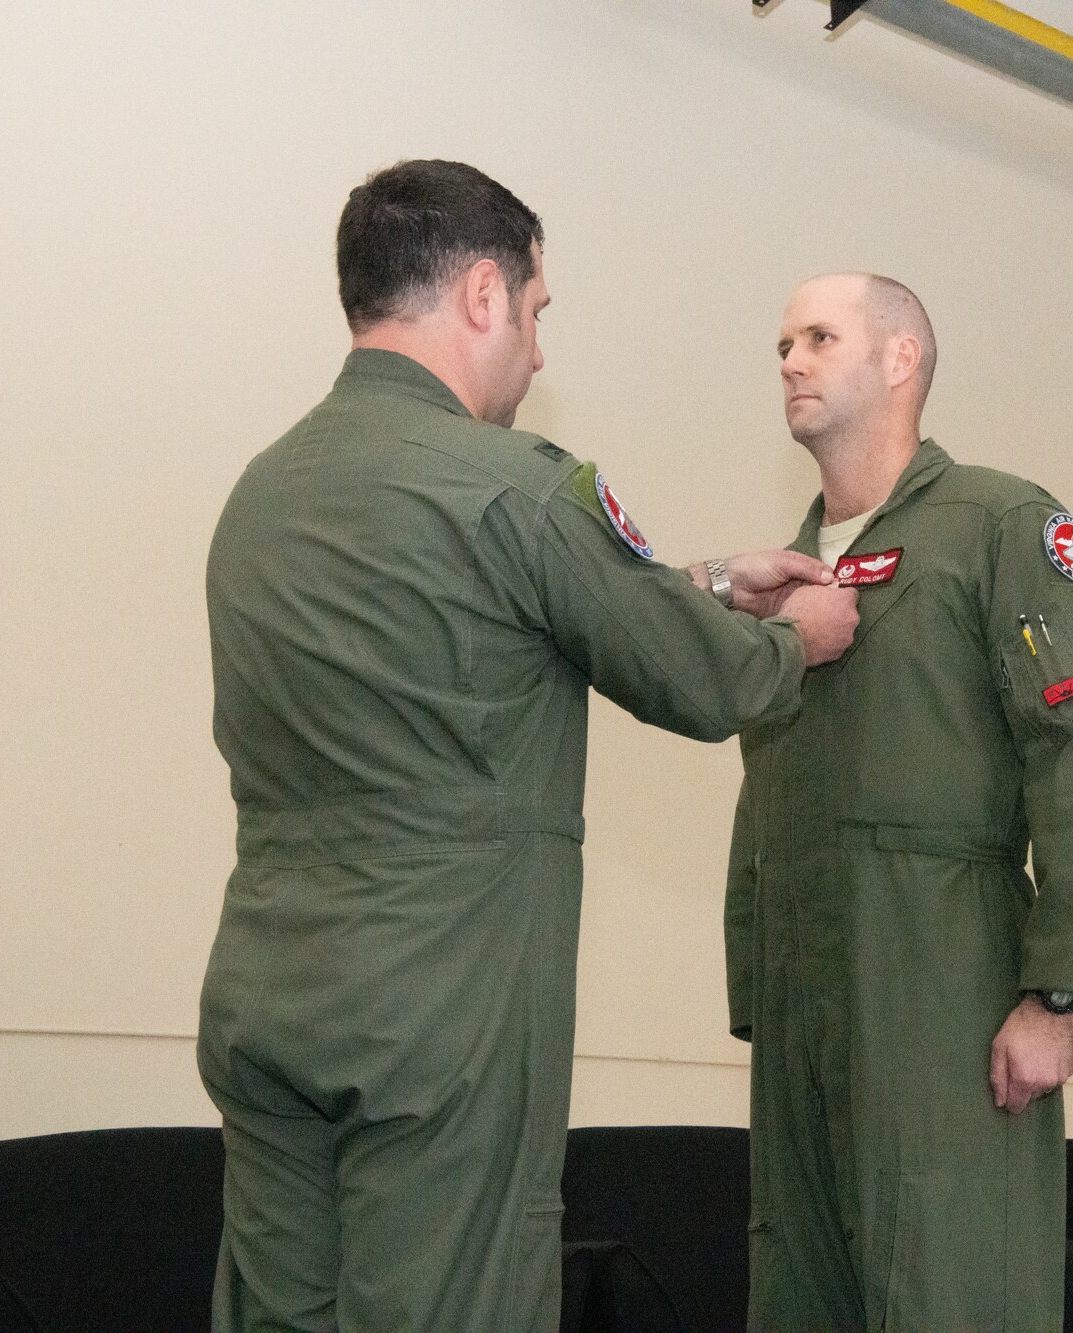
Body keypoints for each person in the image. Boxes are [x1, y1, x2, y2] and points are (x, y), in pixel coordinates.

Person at [197, 159, 858, 1333]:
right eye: (540, 313)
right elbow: (696, 681)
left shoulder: (262, 492)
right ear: (486, 293)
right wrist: (792, 638)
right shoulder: (516, 487)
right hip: (441, 1009)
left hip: (265, 996)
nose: (540, 353)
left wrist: (702, 580)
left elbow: (481, 615)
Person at [724, 273, 1073, 1331]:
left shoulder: (998, 523)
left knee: (952, 1277)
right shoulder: (784, 570)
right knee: (800, 1285)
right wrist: (757, 978)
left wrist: (1057, 992)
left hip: (941, 967)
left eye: (819, 336)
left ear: (901, 359)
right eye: (781, 342)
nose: (789, 359)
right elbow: (769, 784)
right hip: (803, 985)